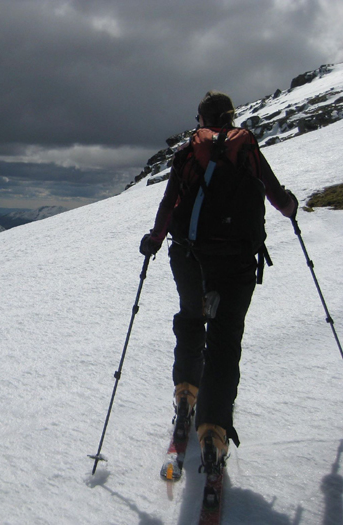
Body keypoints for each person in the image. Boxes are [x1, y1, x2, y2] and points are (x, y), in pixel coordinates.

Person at [139, 91, 298, 472]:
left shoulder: (188, 153)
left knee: (192, 320)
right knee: (225, 341)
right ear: (231, 116)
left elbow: (169, 204)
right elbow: (277, 196)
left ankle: (185, 395)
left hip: (189, 256)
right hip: (237, 262)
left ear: (201, 119)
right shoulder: (246, 149)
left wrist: (155, 240)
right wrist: (291, 207)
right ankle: (213, 431)